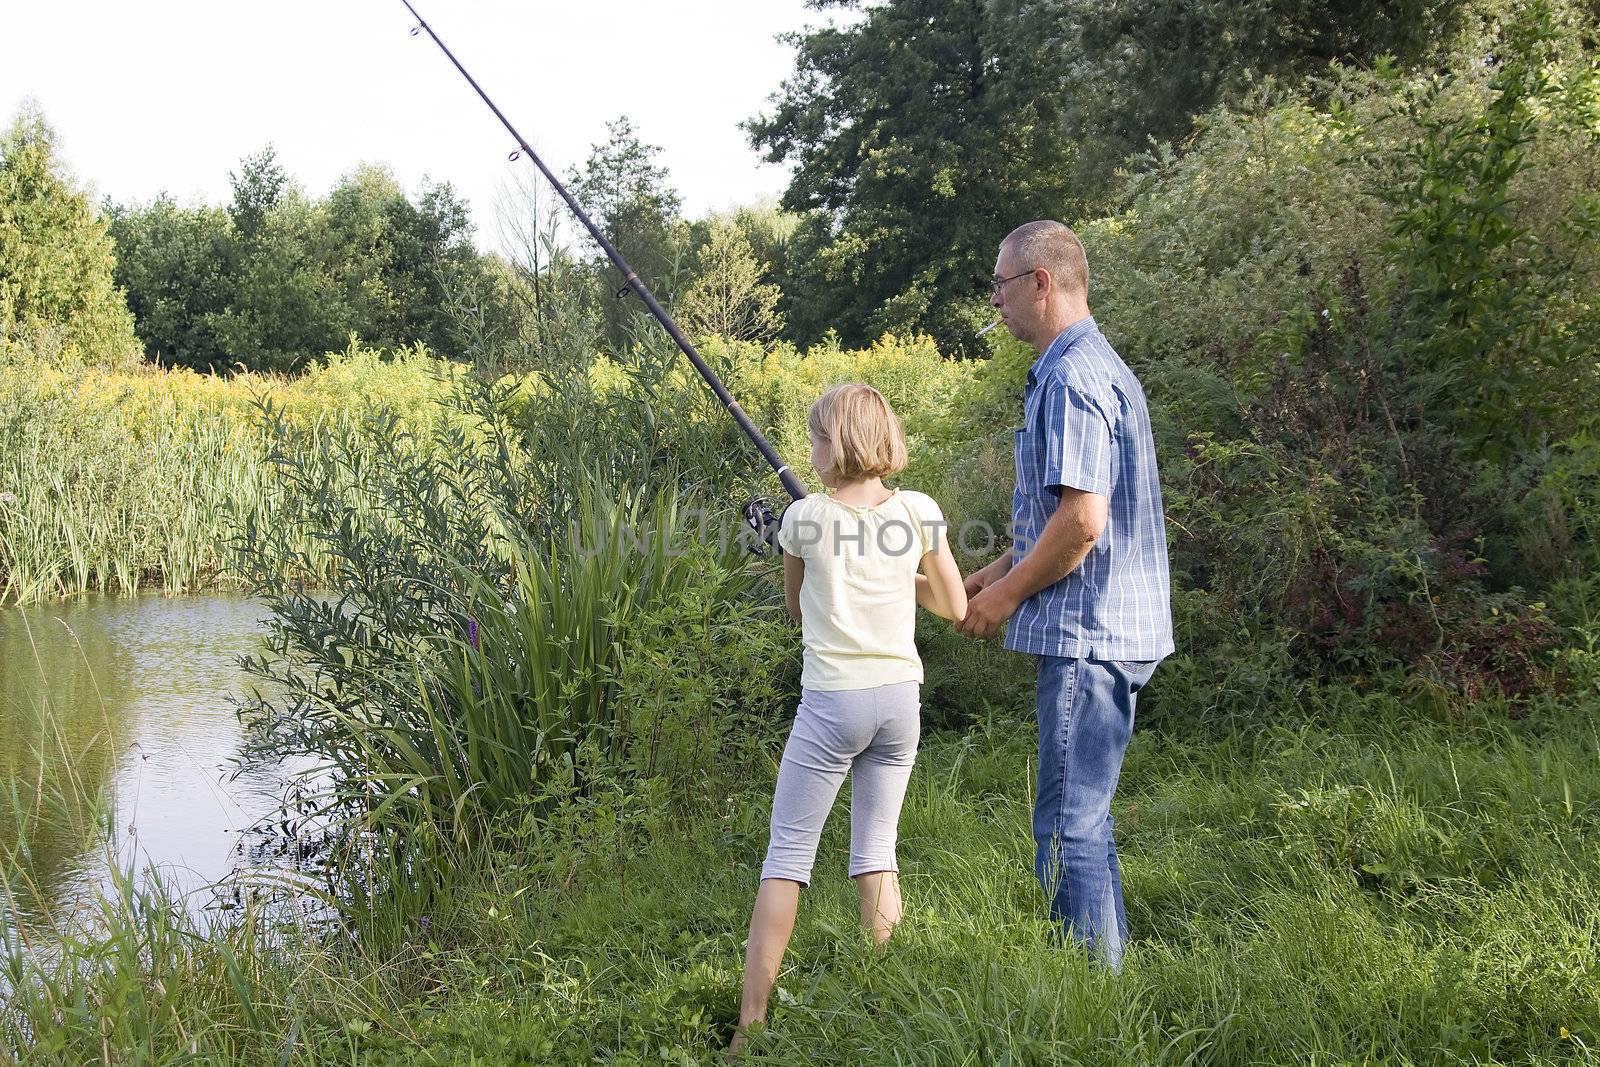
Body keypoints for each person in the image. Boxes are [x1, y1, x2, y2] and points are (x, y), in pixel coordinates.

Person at [957, 220, 1174, 969]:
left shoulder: (1073, 375)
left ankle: (1088, 1006)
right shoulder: (1093, 363)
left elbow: (1083, 522)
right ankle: (1108, 987)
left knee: (1066, 825)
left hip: (1091, 635)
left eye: (1001, 283)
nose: (995, 299)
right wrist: (995, 570)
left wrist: (1007, 594)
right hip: (1114, 630)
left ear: (1040, 282)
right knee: (1086, 818)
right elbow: (1067, 513)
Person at [731, 383, 967, 1053]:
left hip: (833, 702)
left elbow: (798, 609)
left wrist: (799, 542)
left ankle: (749, 1031)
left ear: (836, 446)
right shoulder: (919, 510)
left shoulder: (804, 518)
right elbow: (951, 603)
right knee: (876, 850)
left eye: (815, 438)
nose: (810, 448)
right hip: (898, 701)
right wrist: (895, 574)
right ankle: (880, 998)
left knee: (786, 858)